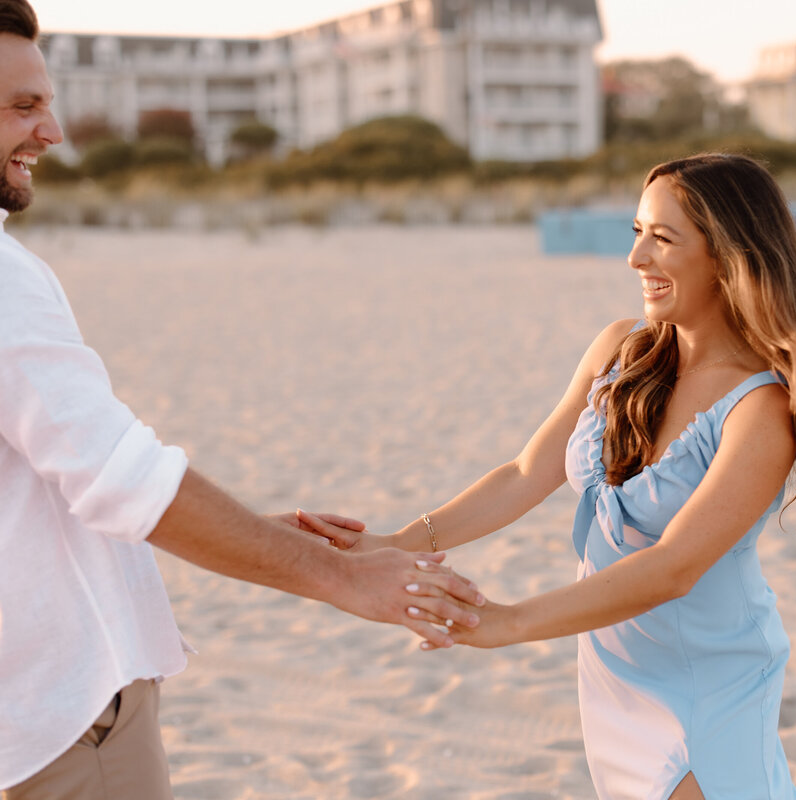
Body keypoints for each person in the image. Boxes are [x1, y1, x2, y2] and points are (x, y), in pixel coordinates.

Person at [0, 3, 485, 797]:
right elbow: (119, 481)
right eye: (23, 107)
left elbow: (56, 477)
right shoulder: (3, 280)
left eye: (46, 102)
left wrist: (257, 534)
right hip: (57, 721)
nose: (52, 133)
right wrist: (342, 580)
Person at [307, 152, 796, 798]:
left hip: (705, 686)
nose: (637, 260)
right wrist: (397, 545)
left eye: (662, 238)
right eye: (636, 233)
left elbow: (675, 566)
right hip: (617, 683)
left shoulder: (761, 408)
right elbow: (523, 474)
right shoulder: (622, 349)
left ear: (727, 255)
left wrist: (506, 622)